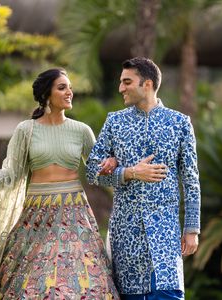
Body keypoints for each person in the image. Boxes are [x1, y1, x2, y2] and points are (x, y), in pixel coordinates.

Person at [0, 68, 120, 299]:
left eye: (70, 87)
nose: (70, 92)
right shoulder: (25, 131)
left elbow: (96, 173)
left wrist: (112, 165)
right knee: (31, 285)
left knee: (85, 283)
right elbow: (11, 174)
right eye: (62, 87)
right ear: (46, 94)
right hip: (37, 217)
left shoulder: (81, 131)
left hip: (74, 215)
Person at [86, 57, 201, 299]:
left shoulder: (179, 123)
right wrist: (128, 172)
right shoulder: (115, 122)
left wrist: (192, 228)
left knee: (168, 293)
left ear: (147, 84)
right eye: (120, 82)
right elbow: (92, 171)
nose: (121, 88)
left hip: (165, 231)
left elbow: (190, 180)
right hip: (126, 233)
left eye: (127, 82)